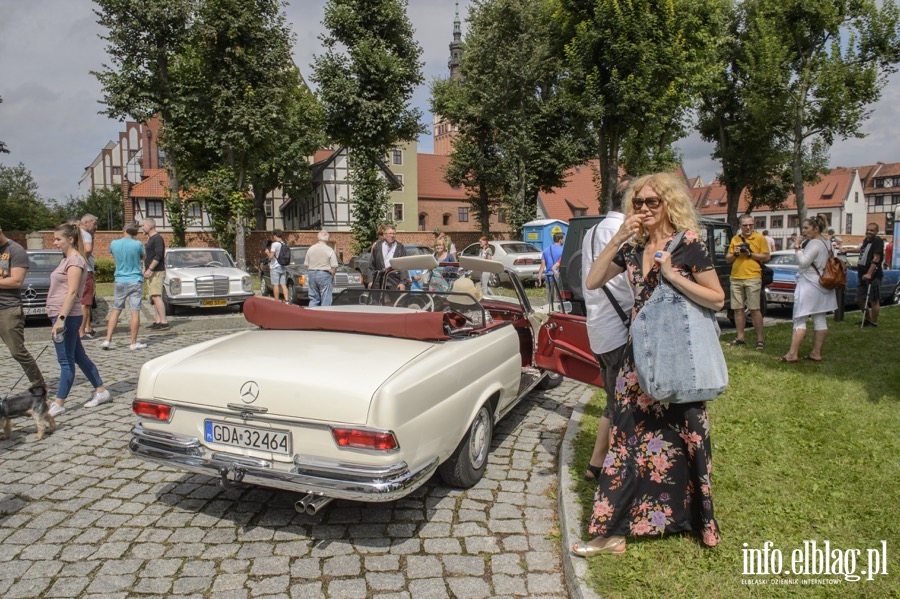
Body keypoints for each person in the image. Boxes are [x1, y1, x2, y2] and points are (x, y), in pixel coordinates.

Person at [577, 172, 724, 556]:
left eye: (651, 202)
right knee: (624, 441)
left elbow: (717, 299)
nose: (643, 209)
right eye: (637, 203)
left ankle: (695, 523)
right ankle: (612, 534)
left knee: (687, 433)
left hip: (679, 355)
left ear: (668, 204)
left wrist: (674, 276)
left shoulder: (688, 243)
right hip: (638, 357)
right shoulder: (631, 248)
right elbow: (592, 282)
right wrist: (618, 238)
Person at [581, 181, 634, 483]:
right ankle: (617, 471)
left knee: (613, 399)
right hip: (620, 327)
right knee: (622, 404)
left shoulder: (591, 232)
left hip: (598, 325)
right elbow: (630, 282)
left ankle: (596, 463)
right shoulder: (622, 233)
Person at [47, 223, 109, 416]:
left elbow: (73, 292)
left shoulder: (74, 261)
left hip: (66, 316)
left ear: (70, 239)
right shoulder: (67, 259)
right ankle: (101, 391)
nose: (55, 242)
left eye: (58, 239)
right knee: (79, 356)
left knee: (66, 360)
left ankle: (59, 402)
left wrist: (61, 319)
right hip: (61, 314)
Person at [780, 217, 838, 362]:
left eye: (806, 228)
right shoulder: (827, 243)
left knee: (800, 318)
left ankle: (792, 354)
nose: (803, 231)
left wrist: (797, 247)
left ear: (816, 229)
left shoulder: (814, 243)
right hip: (823, 284)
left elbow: (804, 263)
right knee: (820, 318)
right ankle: (816, 353)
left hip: (809, 284)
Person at [0, 223, 47, 393]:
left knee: (16, 351)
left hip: (8, 309)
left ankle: (39, 384)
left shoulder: (15, 250)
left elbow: (16, 281)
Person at [726, 214, 770, 350]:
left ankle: (760, 340)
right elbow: (728, 259)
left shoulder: (760, 238)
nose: (748, 227)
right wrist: (736, 253)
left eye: (750, 225)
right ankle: (740, 337)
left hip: (753, 277)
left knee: (754, 309)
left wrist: (750, 254)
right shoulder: (735, 239)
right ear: (740, 227)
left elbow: (766, 257)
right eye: (745, 225)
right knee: (737, 309)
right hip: (736, 277)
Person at [101, 222, 146, 352]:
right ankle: (133, 342)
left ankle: (108, 340)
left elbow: (114, 256)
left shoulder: (114, 243)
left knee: (116, 310)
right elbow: (143, 257)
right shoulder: (138, 244)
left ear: (124, 230)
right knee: (135, 311)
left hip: (120, 279)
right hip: (135, 279)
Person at [140, 218, 169, 329]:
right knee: (154, 296)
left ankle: (164, 321)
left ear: (150, 226)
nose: (142, 227)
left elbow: (158, 255)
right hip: (152, 272)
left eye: (143, 225)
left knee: (157, 296)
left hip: (157, 272)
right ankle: (158, 321)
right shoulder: (151, 238)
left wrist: (150, 269)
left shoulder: (157, 238)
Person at [856, 223, 884, 327]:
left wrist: (869, 273)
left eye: (872, 230)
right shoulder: (866, 241)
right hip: (861, 274)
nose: (869, 232)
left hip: (873, 276)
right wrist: (847, 250)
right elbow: (862, 251)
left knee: (874, 300)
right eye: (868, 230)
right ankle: (867, 319)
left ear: (876, 232)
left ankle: (873, 322)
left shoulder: (878, 241)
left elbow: (876, 258)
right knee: (859, 299)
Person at [304, 230, 339, 306]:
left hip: (312, 273)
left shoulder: (311, 249)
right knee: (326, 298)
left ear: (318, 237)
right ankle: (324, 315)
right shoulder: (329, 250)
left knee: (313, 298)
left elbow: (306, 265)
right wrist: (332, 276)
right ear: (327, 238)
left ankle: (312, 315)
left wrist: (311, 272)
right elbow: (334, 266)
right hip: (324, 274)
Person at [78, 213, 99, 339]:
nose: (95, 226)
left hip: (81, 270)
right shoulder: (85, 235)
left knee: (84, 302)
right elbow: (88, 248)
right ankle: (82, 331)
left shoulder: (76, 233)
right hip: (86, 271)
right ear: (87, 223)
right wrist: (81, 259)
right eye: (94, 224)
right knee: (85, 302)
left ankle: (87, 327)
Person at [369, 225, 408, 290]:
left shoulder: (400, 247)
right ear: (384, 235)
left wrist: (403, 282)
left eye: (394, 233)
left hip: (394, 282)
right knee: (379, 299)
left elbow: (403, 266)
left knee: (393, 300)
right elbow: (371, 266)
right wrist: (370, 280)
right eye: (390, 233)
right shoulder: (378, 246)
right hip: (379, 282)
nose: (392, 235)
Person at [265, 230, 290, 303]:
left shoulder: (275, 244)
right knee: (283, 284)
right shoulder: (284, 243)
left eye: (273, 236)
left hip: (275, 266)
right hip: (282, 266)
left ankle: (276, 301)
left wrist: (267, 252)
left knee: (275, 285)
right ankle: (286, 300)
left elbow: (271, 256)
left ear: (275, 236)